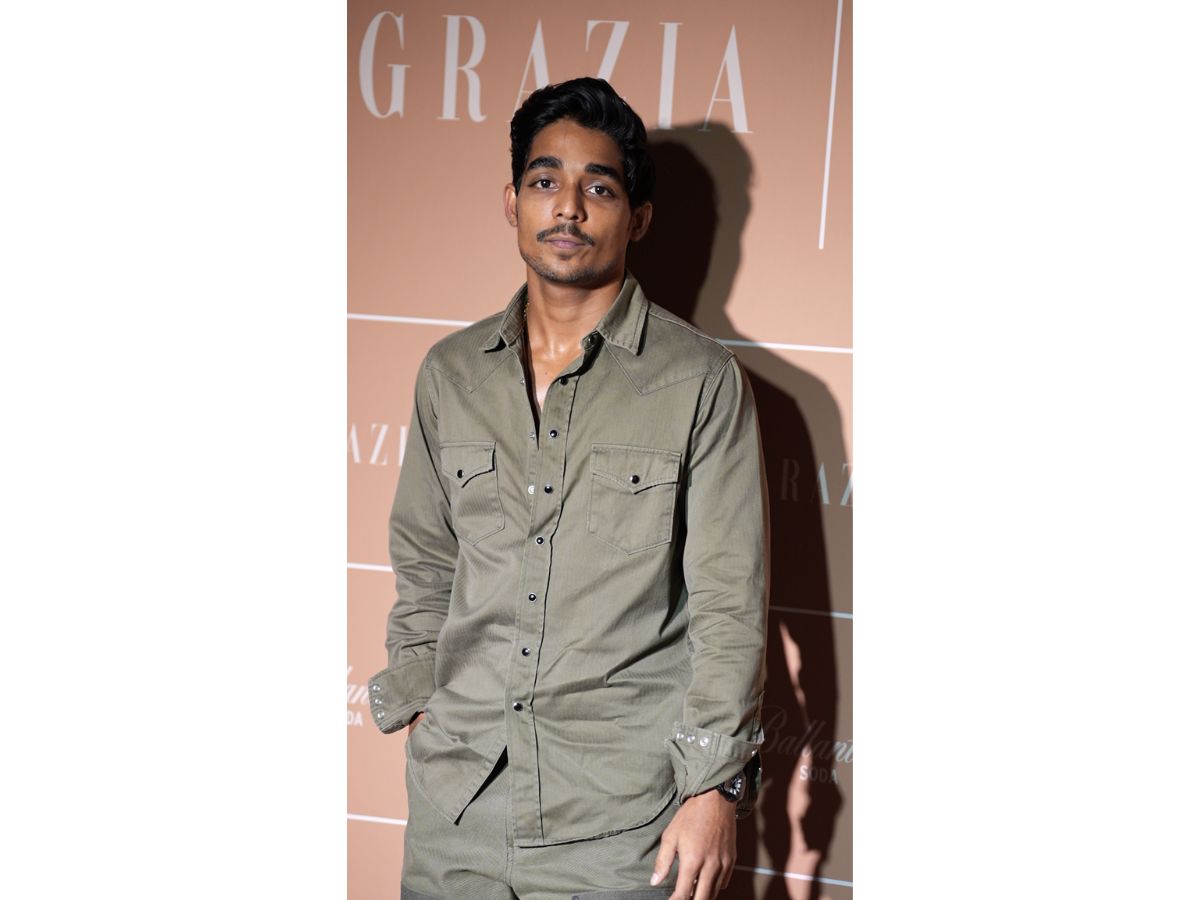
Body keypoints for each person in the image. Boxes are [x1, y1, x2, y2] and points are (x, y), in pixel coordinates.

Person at [368, 76, 769, 900]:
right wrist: (419, 698)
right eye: (545, 180)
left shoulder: (700, 381)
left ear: (639, 218)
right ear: (511, 202)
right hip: (456, 806)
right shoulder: (450, 374)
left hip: (621, 825)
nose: (569, 208)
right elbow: (425, 558)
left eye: (600, 187)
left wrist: (713, 788)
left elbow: (729, 604)